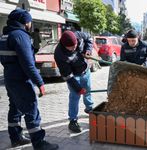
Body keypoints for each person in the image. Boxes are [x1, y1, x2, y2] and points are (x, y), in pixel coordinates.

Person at [0, 9, 58, 150]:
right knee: (31, 109)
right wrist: (40, 82)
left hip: (9, 77)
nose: (30, 23)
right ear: (25, 22)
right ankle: (39, 143)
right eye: (29, 21)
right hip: (21, 80)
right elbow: (28, 64)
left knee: (14, 108)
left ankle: (16, 138)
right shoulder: (20, 36)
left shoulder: (4, 36)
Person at [54, 30, 94, 133]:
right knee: (75, 96)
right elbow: (67, 75)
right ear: (64, 45)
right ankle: (73, 120)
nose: (74, 48)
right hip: (74, 76)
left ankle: (89, 108)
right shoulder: (59, 54)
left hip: (86, 70)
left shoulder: (78, 35)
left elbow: (89, 38)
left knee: (88, 90)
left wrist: (88, 49)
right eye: (71, 47)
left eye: (75, 45)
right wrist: (78, 88)